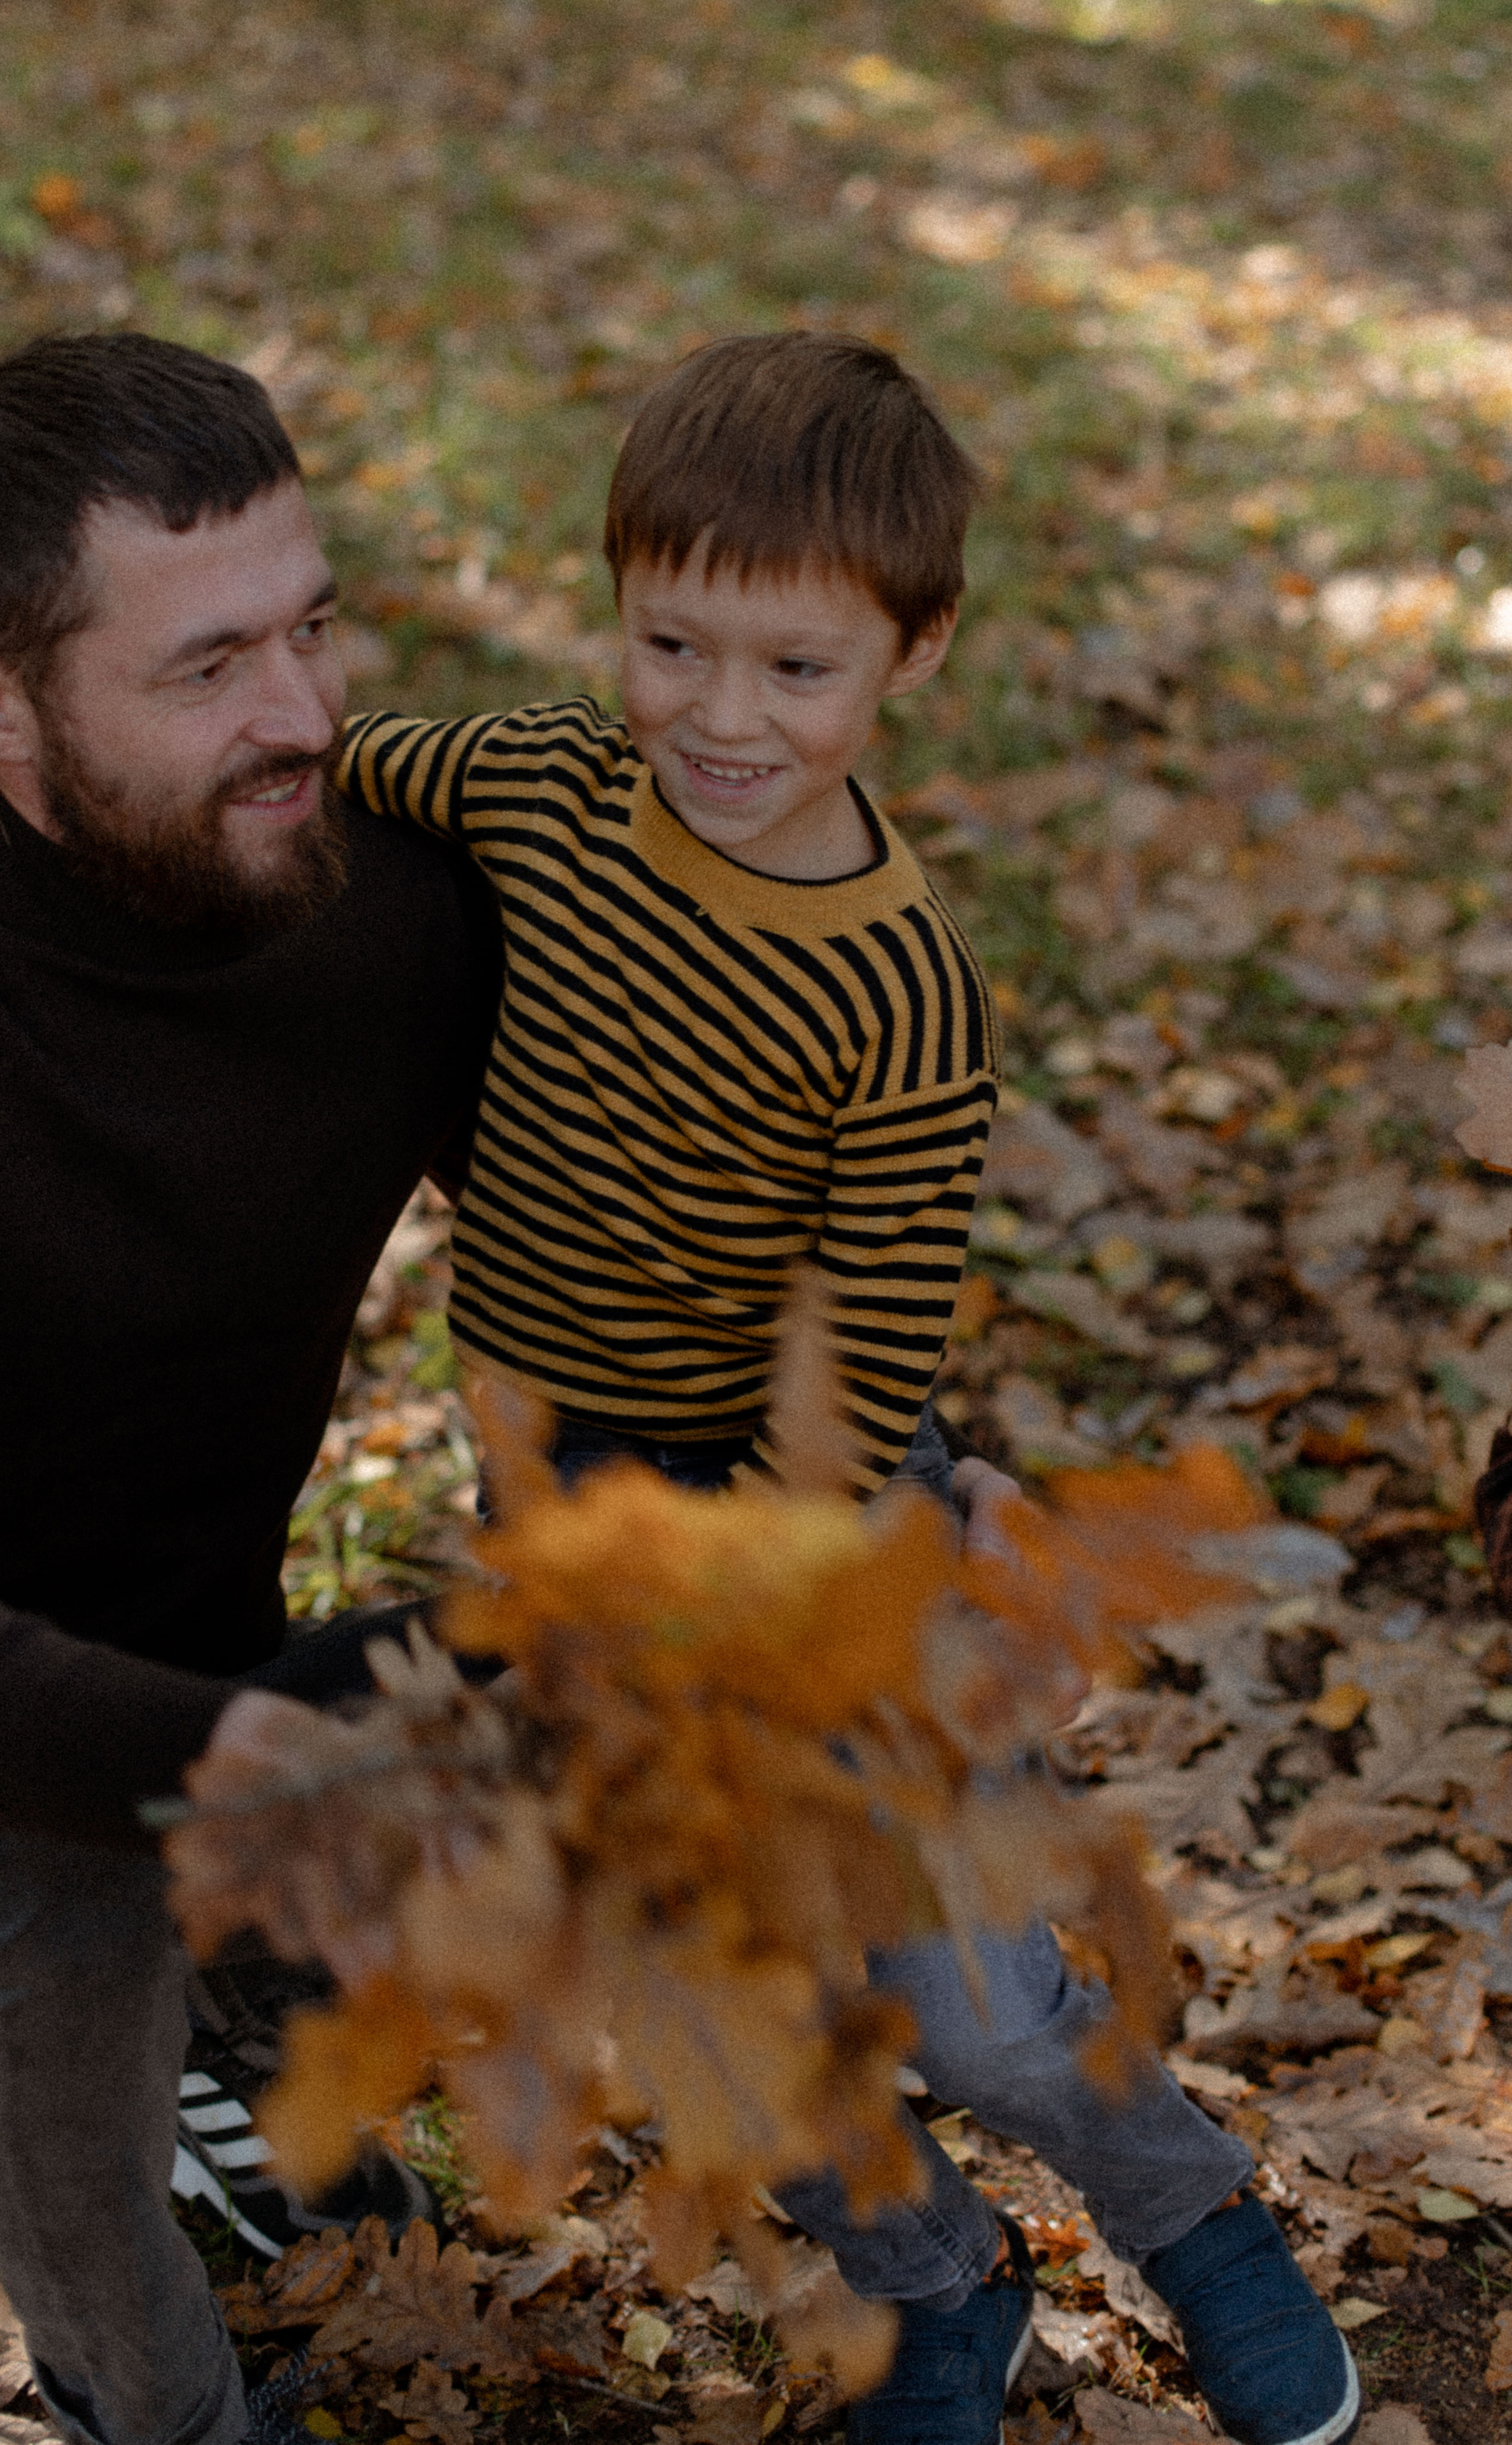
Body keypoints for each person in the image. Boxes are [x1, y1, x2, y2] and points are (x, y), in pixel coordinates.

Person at [325, 332, 1361, 2445]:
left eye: (796, 671)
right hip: (571, 1498)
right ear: (613, 603)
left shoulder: (900, 991)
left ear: (920, 652)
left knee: (964, 2003)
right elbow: (333, 780)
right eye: (671, 642)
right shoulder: (531, 778)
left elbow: (875, 1333)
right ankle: (931, 2288)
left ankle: (1197, 2216)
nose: (719, 715)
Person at [0, 331, 505, 2445]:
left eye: (316, 628)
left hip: (200, 1661)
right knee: (34, 1918)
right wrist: (227, 1756)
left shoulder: (380, 896)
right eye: (209, 666)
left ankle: (234, 2010)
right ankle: (147, 2403)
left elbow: (635, 1242)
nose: (307, 716)